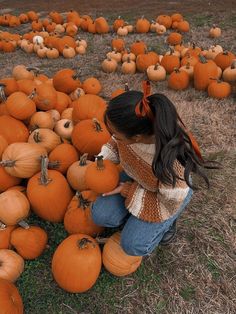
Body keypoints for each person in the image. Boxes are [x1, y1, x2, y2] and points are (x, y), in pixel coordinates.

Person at [91, 81, 218, 257]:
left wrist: (128, 191)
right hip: (139, 179)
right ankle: (135, 211)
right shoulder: (132, 132)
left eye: (116, 135)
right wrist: (99, 162)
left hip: (168, 196)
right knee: (100, 215)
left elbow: (168, 202)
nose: (113, 138)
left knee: (133, 245)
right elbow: (115, 144)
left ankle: (168, 222)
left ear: (136, 137)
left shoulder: (171, 164)